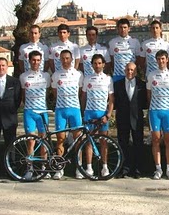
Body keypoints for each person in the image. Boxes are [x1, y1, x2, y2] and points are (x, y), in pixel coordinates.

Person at [51, 50, 83, 180]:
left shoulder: (78, 75)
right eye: (63, 58)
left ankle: (79, 168)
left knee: (78, 140)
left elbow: (81, 92)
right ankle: (59, 168)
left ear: (72, 59)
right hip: (61, 110)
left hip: (75, 109)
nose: (65, 61)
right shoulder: (56, 75)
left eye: (67, 58)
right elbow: (54, 93)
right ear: (60, 60)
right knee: (60, 139)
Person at [81, 54, 114, 178]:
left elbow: (111, 99)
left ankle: (105, 167)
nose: (97, 65)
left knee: (103, 141)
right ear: (92, 65)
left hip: (102, 113)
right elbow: (83, 96)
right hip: (89, 112)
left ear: (104, 64)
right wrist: (83, 111)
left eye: (100, 63)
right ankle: (89, 167)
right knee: (89, 142)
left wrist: (108, 114)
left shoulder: (108, 79)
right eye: (95, 63)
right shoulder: (87, 78)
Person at [19, 50, 51, 180]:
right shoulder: (23, 76)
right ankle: (30, 169)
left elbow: (49, 92)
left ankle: (44, 169)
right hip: (29, 112)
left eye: (38, 60)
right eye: (33, 60)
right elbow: (23, 95)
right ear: (29, 61)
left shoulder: (46, 76)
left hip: (42, 111)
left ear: (41, 61)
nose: (36, 62)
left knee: (43, 140)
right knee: (30, 141)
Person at [146, 50, 169, 180]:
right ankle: (158, 169)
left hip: (168, 111)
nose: (161, 61)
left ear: (167, 59)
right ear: (156, 60)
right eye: (158, 59)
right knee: (156, 140)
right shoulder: (151, 75)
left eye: (163, 59)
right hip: (155, 112)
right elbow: (148, 94)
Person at [114, 62, 147, 178]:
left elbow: (144, 102)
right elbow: (115, 102)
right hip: (122, 118)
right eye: (128, 70)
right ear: (125, 70)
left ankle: (137, 169)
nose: (130, 72)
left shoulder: (142, 85)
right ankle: (124, 169)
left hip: (136, 118)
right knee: (123, 144)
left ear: (136, 72)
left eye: (132, 70)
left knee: (138, 144)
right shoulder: (117, 85)